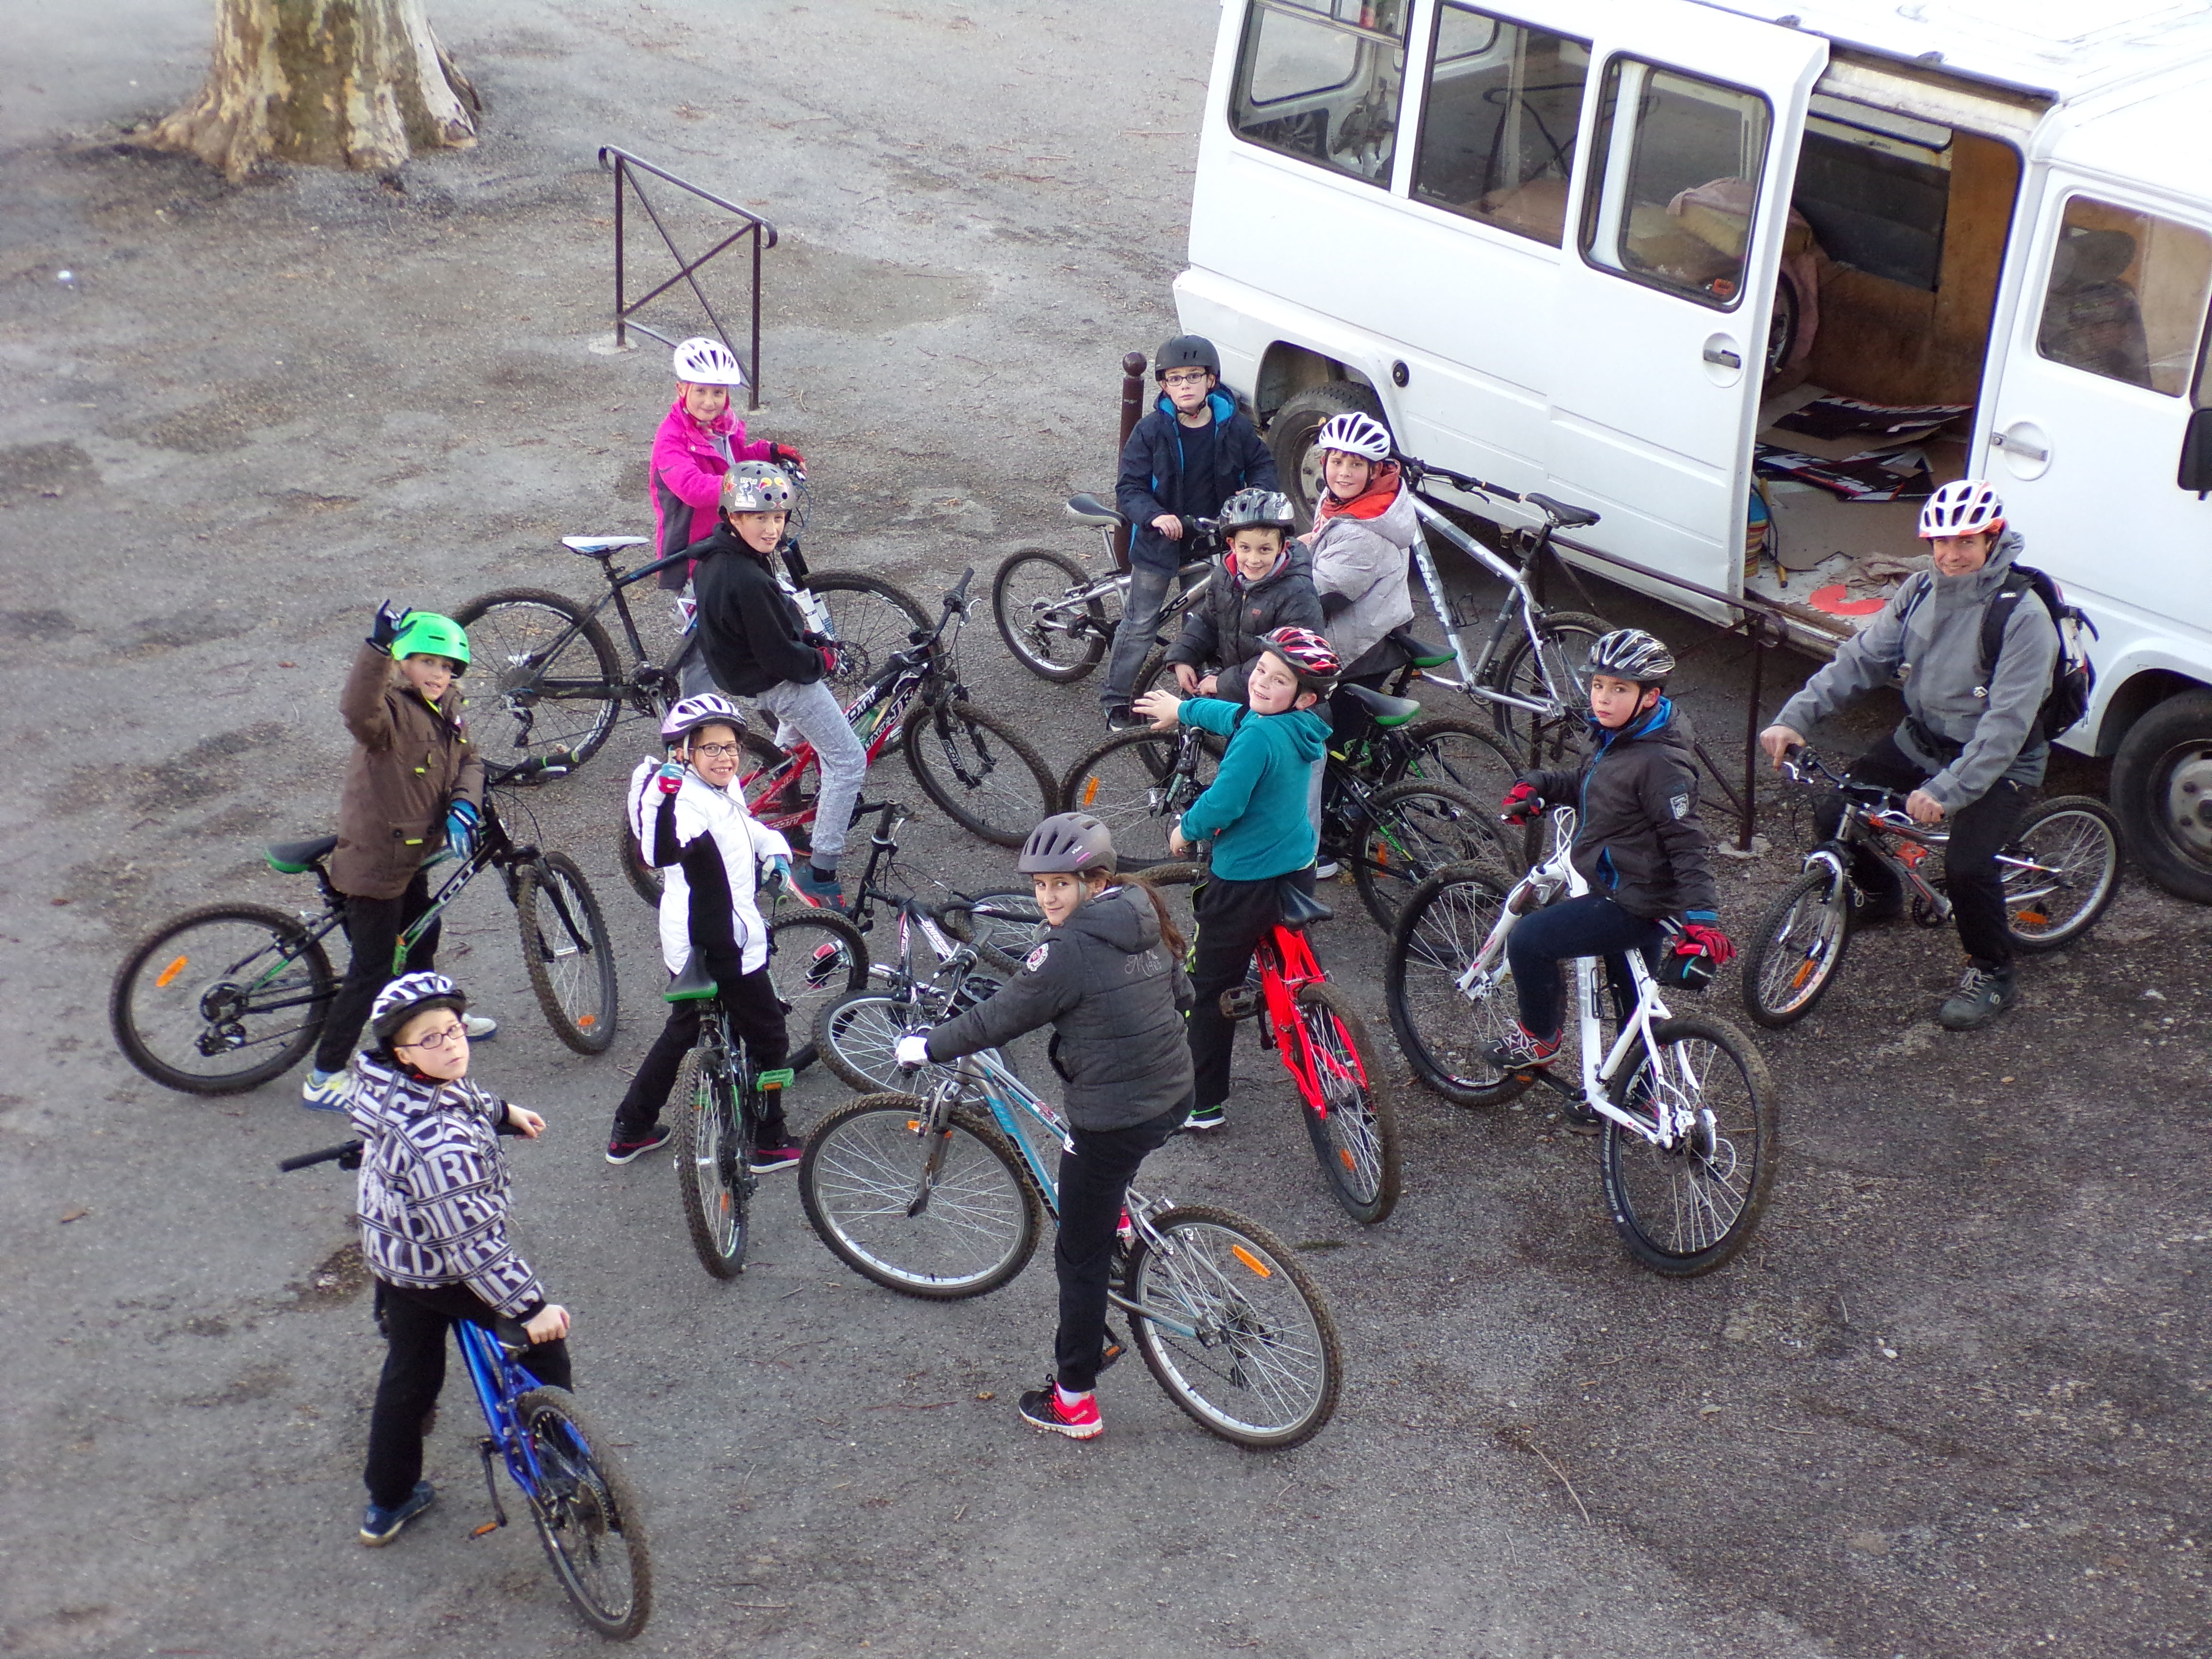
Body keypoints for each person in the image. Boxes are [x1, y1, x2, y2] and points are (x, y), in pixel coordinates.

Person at [891, 814, 1193, 1440]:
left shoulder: (1065, 952)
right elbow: (1182, 994)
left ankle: (1074, 1398)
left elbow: (1001, 1017)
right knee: (1110, 1178)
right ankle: (1120, 1219)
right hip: (1173, 1093)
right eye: (1040, 886)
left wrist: (930, 1046)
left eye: (1061, 884)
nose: (1048, 897)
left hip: (1114, 1117)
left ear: (1096, 880)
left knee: (1078, 1261)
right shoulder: (1143, 912)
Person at [1759, 479, 2057, 1030]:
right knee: (1835, 813)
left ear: (1993, 538)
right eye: (1940, 542)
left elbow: (2005, 730)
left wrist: (1946, 793)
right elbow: (1861, 660)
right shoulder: (1920, 590)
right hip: (1924, 739)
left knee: (1967, 867)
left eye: (1966, 541)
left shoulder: (2024, 618)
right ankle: (1880, 894)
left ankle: (1992, 971)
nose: (1951, 554)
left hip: (2002, 761)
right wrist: (1793, 717)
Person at [347, 972, 565, 1546]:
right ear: (404, 1052)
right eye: (432, 1040)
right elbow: (472, 1247)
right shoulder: (437, 1147)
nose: (451, 1046)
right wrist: (533, 1307)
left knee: (411, 1375)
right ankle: (565, 1459)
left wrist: (500, 1111)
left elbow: (453, 1091)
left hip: (395, 1256)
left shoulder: (390, 1083)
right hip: (442, 1266)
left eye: (454, 1031)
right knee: (544, 1340)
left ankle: (388, 1499)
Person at [1493, 630, 1730, 1096]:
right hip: (1631, 889)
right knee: (1631, 1006)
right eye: (1599, 684)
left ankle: (1539, 1040)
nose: (1603, 698)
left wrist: (1703, 922)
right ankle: (1635, 1098)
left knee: (1528, 940)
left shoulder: (1662, 765)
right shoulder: (1616, 736)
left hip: (1632, 901)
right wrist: (1540, 785)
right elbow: (1589, 782)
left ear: (1650, 696)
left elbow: (1689, 845)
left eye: (1619, 689)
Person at [1132, 627, 1336, 1132]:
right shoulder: (1300, 725)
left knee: (1206, 990)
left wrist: (1186, 830)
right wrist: (1182, 710)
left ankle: (1201, 1105)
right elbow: (1235, 715)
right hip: (1297, 867)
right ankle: (1315, 1028)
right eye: (1262, 670)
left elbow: (1225, 802)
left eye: (1278, 679)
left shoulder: (1257, 739)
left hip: (1244, 881)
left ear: (1304, 695)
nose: (1262, 682)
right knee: (1290, 959)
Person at [302, 606, 495, 1112]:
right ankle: (325, 1075)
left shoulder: (449, 705)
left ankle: (431, 1018)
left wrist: (463, 803)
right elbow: (355, 709)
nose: (438, 674)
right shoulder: (386, 712)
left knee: (422, 935)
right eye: (427, 662)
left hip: (412, 856)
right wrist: (377, 649)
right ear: (403, 662)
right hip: (375, 863)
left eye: (448, 666)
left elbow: (469, 760)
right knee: (371, 967)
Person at [608, 694, 803, 1168]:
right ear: (683, 753)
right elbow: (661, 851)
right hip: (721, 941)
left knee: (684, 1030)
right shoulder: (683, 801)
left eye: (732, 746)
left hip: (693, 935)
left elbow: (742, 825)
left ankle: (631, 1128)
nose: (726, 757)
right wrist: (667, 795)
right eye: (711, 748)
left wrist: (773, 849)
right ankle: (770, 1139)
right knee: (770, 1036)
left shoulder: (719, 786)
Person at [688, 461, 864, 907]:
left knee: (798, 735)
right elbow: (781, 658)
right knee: (847, 760)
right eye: (759, 518)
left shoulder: (716, 557)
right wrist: (818, 658)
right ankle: (821, 871)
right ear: (733, 517)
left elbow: (766, 631)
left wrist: (799, 641)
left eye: (778, 518)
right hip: (774, 678)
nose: (771, 529)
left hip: (743, 673)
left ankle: (787, 792)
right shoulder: (747, 579)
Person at [1105, 335, 1278, 730]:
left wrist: (1258, 492)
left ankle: (1190, 697)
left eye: (1194, 377)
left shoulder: (1231, 426)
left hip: (1209, 539)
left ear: (1211, 381)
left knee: (1200, 621)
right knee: (1142, 622)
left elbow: (1262, 464)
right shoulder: (1151, 431)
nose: (1185, 386)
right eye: (1175, 379)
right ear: (1164, 386)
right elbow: (1129, 488)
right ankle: (1116, 699)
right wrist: (1154, 517)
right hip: (1160, 543)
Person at [648, 336, 804, 589]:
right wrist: (743, 485)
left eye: (718, 393)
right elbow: (691, 487)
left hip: (728, 535)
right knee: (716, 621)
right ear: (682, 390)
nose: (710, 402)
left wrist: (770, 453)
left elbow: (736, 462)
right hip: (693, 549)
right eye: (700, 391)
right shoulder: (671, 438)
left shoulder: (722, 427)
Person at [1299, 410, 1420, 716]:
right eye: (1337, 462)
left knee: (1307, 721)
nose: (1344, 473)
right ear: (1325, 462)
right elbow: (1325, 540)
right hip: (1373, 616)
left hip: (1362, 641)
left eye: (1356, 464)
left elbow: (1320, 597)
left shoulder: (1363, 530)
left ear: (1374, 470)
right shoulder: (1350, 498)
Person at [1161, 488, 1322, 704]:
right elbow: (1208, 621)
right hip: (1241, 689)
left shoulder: (1298, 593)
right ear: (1232, 545)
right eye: (1245, 548)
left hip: (1275, 703)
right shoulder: (1225, 575)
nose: (1253, 560)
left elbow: (1284, 661)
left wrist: (1222, 684)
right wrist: (1183, 657)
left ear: (1282, 547)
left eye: (1265, 550)